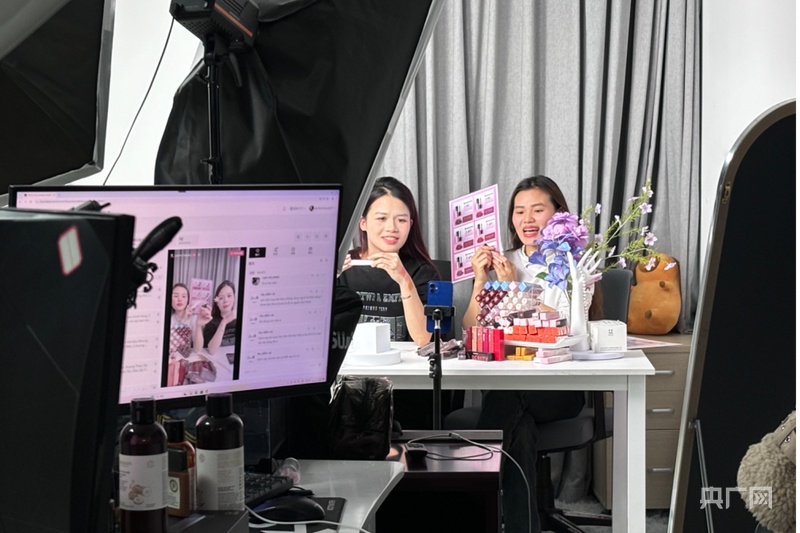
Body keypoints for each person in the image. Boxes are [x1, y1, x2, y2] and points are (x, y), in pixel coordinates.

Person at [461, 175, 602, 533]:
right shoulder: (503, 260)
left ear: (557, 213)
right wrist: (481, 281)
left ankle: (471, 503)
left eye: (537, 210)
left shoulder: (572, 264)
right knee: (519, 430)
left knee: (505, 399)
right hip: (510, 387)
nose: (527, 219)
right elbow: (470, 332)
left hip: (558, 388)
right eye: (519, 211)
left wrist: (515, 289)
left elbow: (570, 329)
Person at [339, 176, 441, 429]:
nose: (392, 228)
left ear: (411, 224)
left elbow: (424, 339)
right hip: (347, 383)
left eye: (401, 220)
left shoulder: (422, 272)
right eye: (382, 218)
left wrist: (404, 280)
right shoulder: (343, 266)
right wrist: (327, 280)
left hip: (405, 387)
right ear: (363, 222)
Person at [195, 280, 238, 355]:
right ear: (217, 303)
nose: (226, 300)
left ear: (234, 298)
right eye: (221, 298)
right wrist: (224, 322)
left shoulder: (242, 319)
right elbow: (212, 350)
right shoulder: (211, 321)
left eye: (229, 296)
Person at [169, 283, 197, 359]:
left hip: (188, 358)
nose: (180, 299)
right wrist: (183, 319)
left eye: (184, 296)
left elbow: (197, 349)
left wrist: (198, 325)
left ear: (188, 300)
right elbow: (172, 346)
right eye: (176, 296)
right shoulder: (168, 319)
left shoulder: (193, 318)